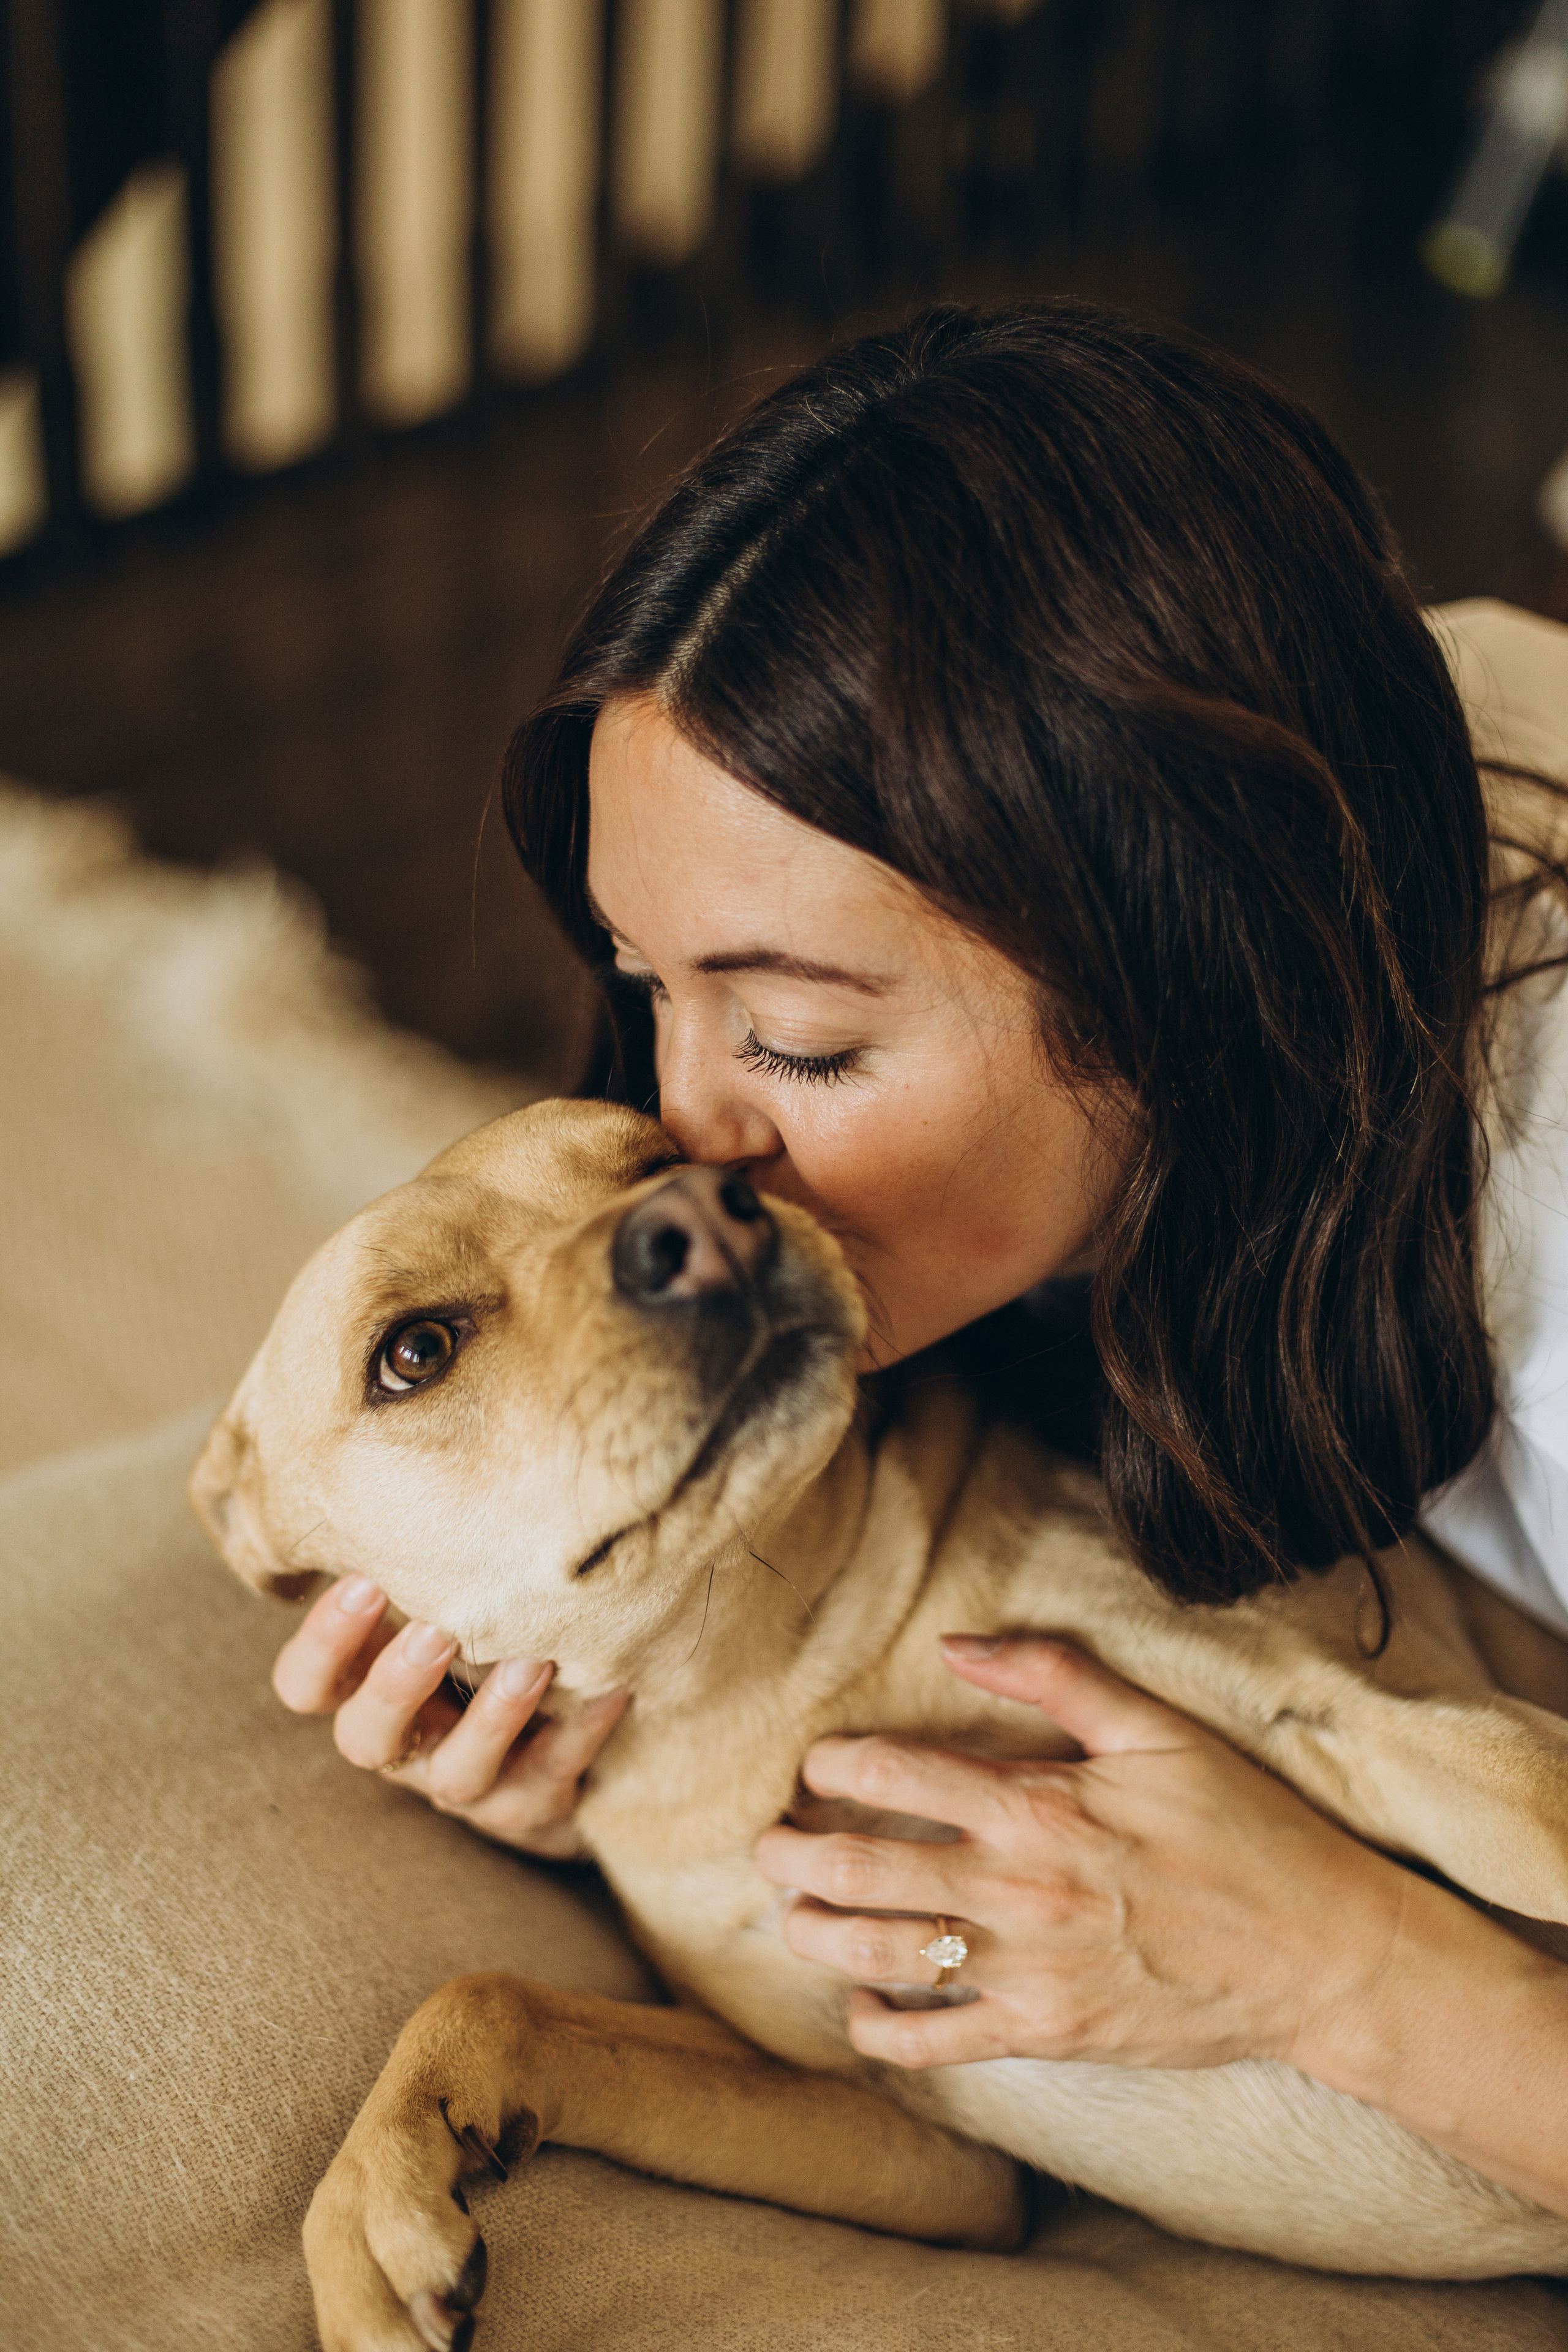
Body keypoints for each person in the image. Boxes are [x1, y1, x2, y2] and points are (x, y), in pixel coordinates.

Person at [270, 305, 1568, 2218]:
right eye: (653, 993)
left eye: (798, 1043)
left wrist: (1339, 1965)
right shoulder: (1276, 721)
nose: (696, 1140)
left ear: (1189, 981)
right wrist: (653, 1679)